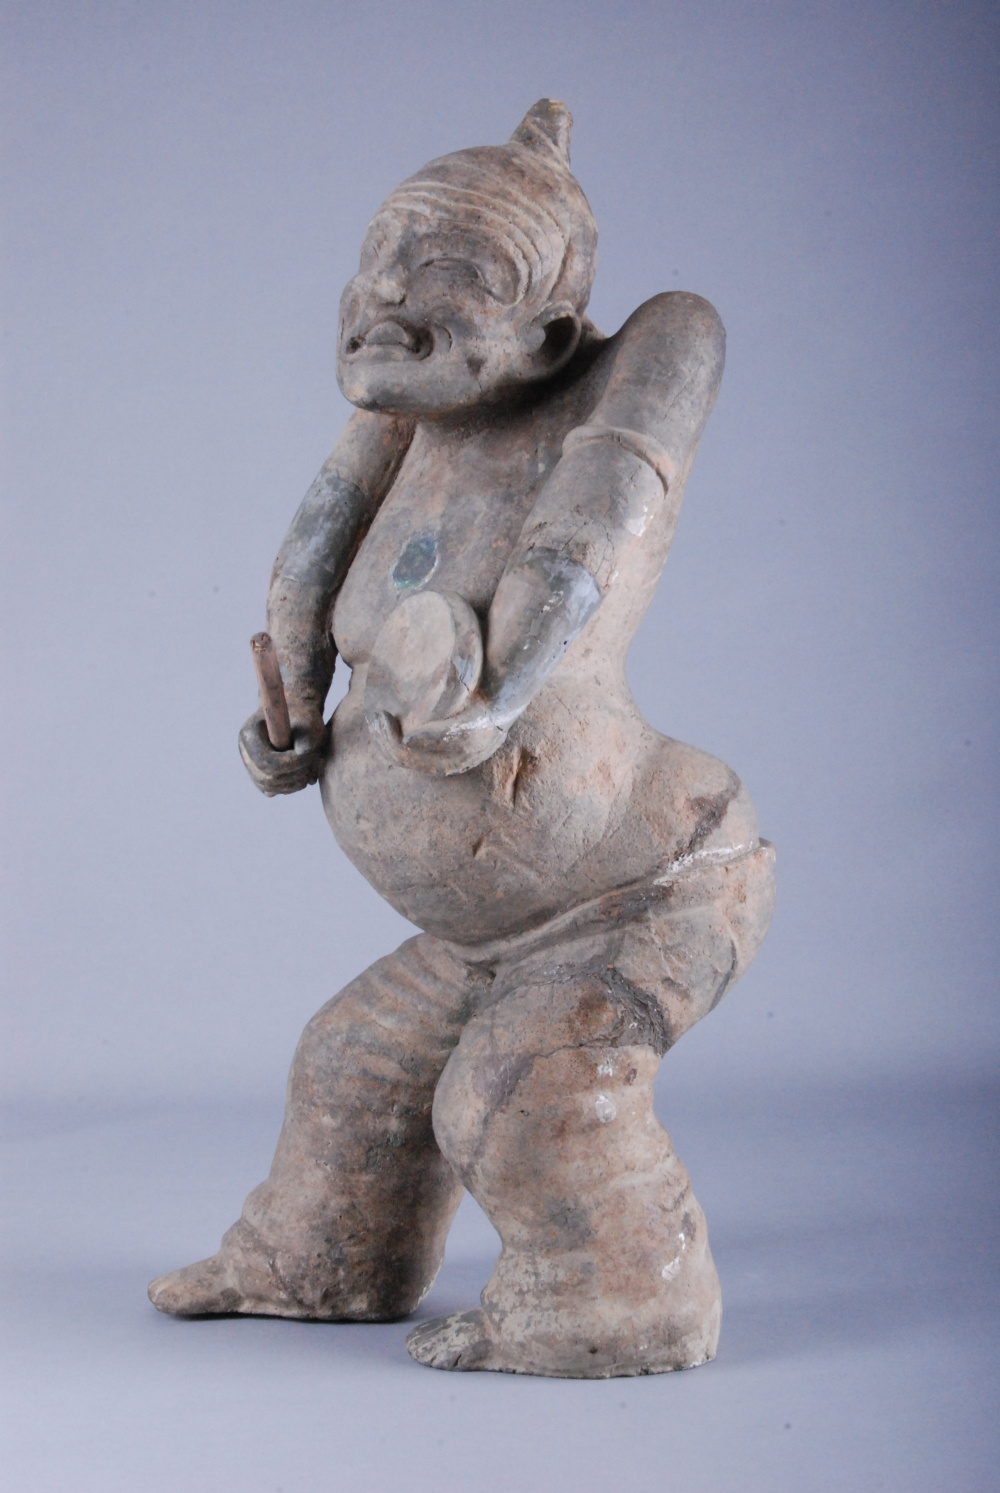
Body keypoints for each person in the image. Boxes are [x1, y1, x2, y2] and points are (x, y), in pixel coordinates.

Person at [149, 100, 775, 1379]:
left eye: (455, 273)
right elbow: (312, 573)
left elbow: (581, 541)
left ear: (547, 332)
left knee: (517, 1092)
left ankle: (627, 1303)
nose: (389, 296)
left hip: (642, 888)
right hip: (486, 926)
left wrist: (494, 701)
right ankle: (322, 1261)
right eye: (381, 263)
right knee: (350, 1067)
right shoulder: (418, 424)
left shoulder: (633, 371)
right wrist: (291, 727)